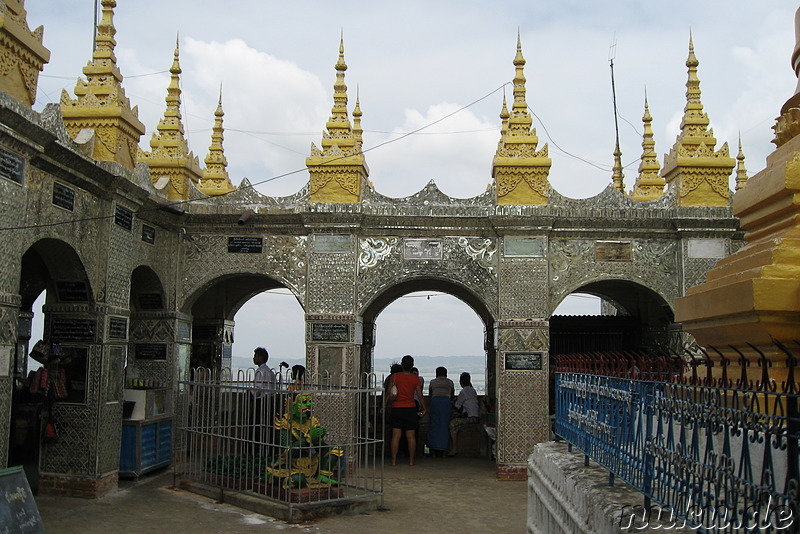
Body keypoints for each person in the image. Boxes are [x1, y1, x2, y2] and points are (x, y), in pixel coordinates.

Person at [387, 355, 427, 466]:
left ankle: (394, 461)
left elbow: (389, 393)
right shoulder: (415, 379)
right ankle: (411, 461)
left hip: (397, 408)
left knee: (396, 436)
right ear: (412, 366)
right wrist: (425, 408)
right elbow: (420, 395)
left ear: (402, 364)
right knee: (411, 436)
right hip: (410, 408)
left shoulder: (395, 377)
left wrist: (384, 406)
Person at [447, 372, 480, 456]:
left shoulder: (463, 392)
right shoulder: (473, 390)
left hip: (470, 417)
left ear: (461, 382)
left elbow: (457, 406)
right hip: (475, 416)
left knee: (452, 424)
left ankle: (454, 448)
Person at [252, 347, 277, 450]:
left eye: (255, 356)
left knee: (259, 425)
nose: (253, 358)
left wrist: (251, 393)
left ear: (260, 357)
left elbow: (258, 388)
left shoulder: (261, 371)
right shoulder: (269, 371)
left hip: (262, 400)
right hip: (269, 400)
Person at [427, 366, 454, 457]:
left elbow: (430, 395)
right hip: (446, 403)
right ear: (446, 374)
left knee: (434, 425)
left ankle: (433, 451)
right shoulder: (450, 382)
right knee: (444, 426)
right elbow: (452, 396)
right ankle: (443, 452)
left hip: (435, 403)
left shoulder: (433, 382)